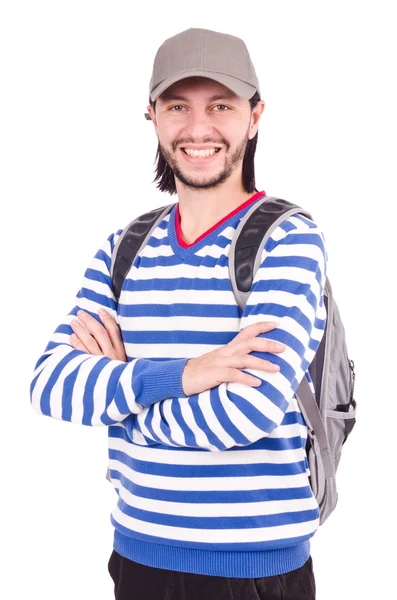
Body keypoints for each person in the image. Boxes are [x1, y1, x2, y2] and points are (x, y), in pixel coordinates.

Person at [30, 27, 326, 600]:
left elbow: (247, 412)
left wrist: (123, 406)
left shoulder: (287, 240)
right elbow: (49, 385)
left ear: (255, 115)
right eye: (177, 106)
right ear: (152, 116)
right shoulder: (124, 247)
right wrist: (187, 375)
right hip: (136, 556)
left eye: (220, 105)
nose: (198, 129)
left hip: (254, 570)